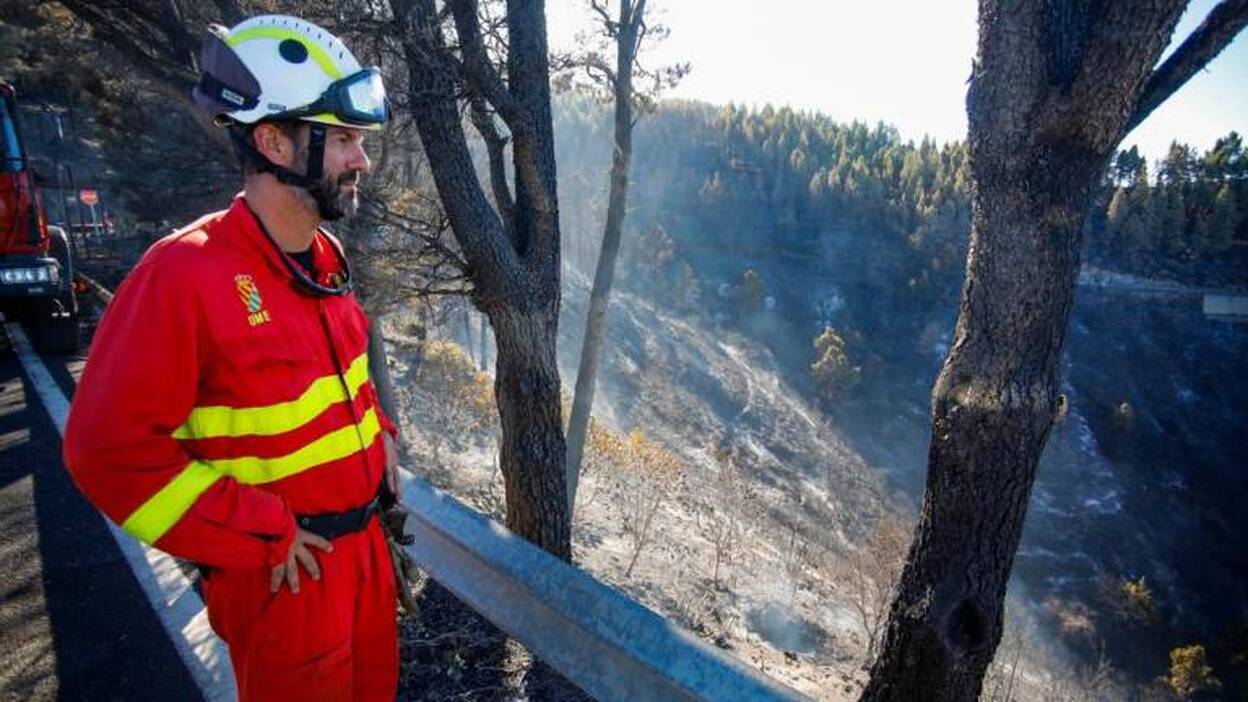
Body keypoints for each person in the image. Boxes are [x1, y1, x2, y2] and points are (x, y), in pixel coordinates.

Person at [63, 15, 401, 701]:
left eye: (358, 139)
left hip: (365, 559)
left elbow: (341, 382)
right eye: (341, 138)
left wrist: (381, 441)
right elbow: (105, 453)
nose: (361, 159)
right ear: (273, 141)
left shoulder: (322, 258)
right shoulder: (185, 274)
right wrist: (259, 533)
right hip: (290, 580)